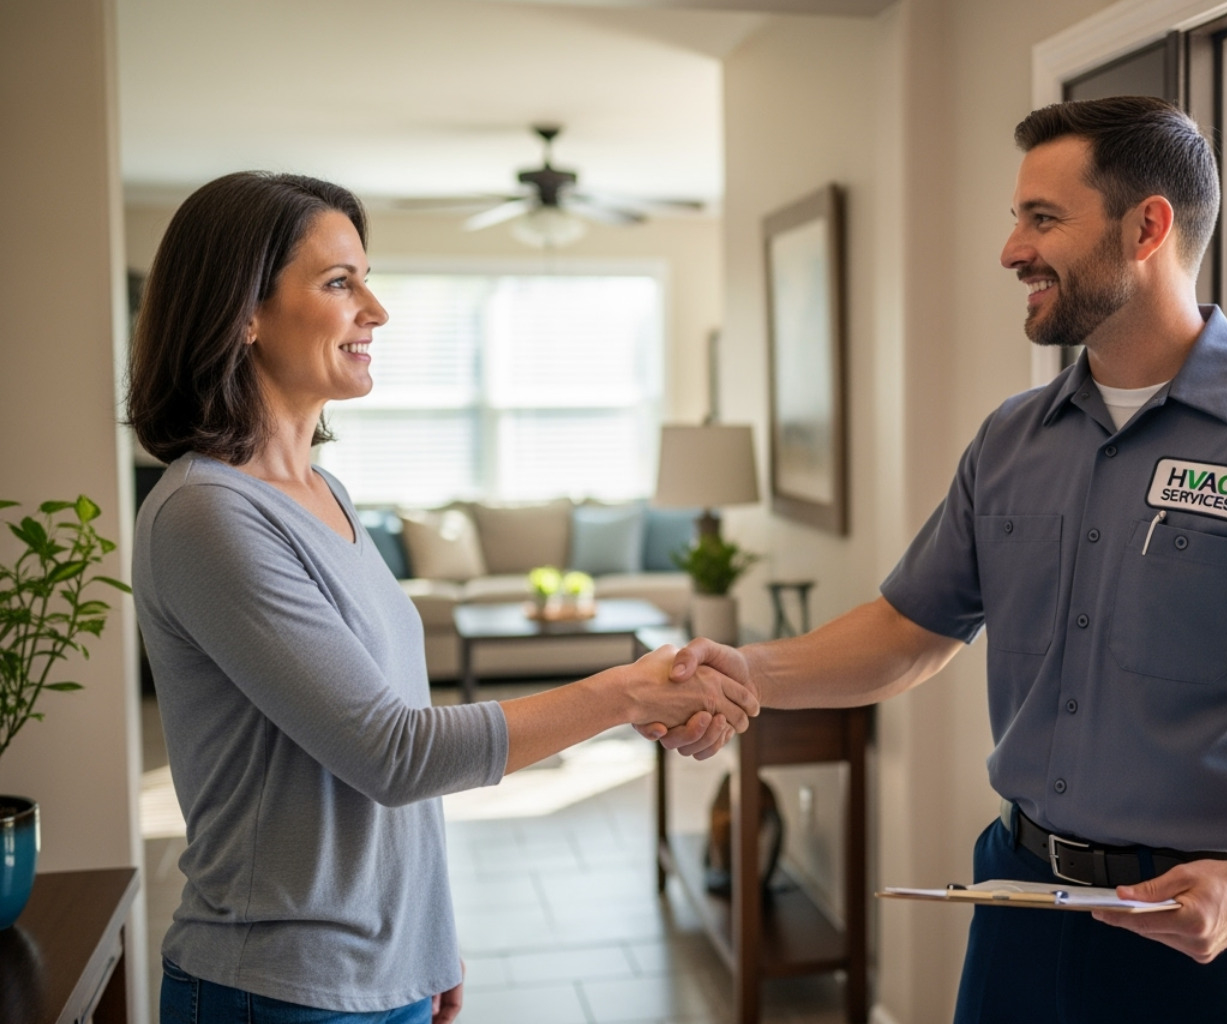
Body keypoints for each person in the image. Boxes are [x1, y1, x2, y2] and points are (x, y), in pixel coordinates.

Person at [648, 96, 1227, 1023]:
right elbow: (911, 630)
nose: (1011, 251)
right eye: (1015, 219)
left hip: (1214, 928)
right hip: (1021, 901)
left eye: (1043, 219)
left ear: (1147, 226)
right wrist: (746, 672)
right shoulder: (1010, 441)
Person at [127, 171, 757, 1024]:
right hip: (276, 987)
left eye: (367, 278)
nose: (376, 311)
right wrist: (625, 690)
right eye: (340, 282)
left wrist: (427, 936)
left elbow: (385, 746)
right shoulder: (206, 514)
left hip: (388, 971)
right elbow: (394, 753)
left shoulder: (327, 492)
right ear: (244, 311)